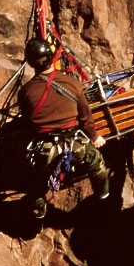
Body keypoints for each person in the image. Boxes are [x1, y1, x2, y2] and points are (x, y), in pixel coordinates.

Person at [18, 38, 109, 220]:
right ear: (53, 58)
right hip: (75, 144)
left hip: (45, 149)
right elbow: (85, 116)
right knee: (95, 160)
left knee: (35, 180)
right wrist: (94, 137)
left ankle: (38, 210)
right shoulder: (71, 83)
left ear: (31, 63)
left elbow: (28, 123)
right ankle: (103, 192)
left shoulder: (26, 92)